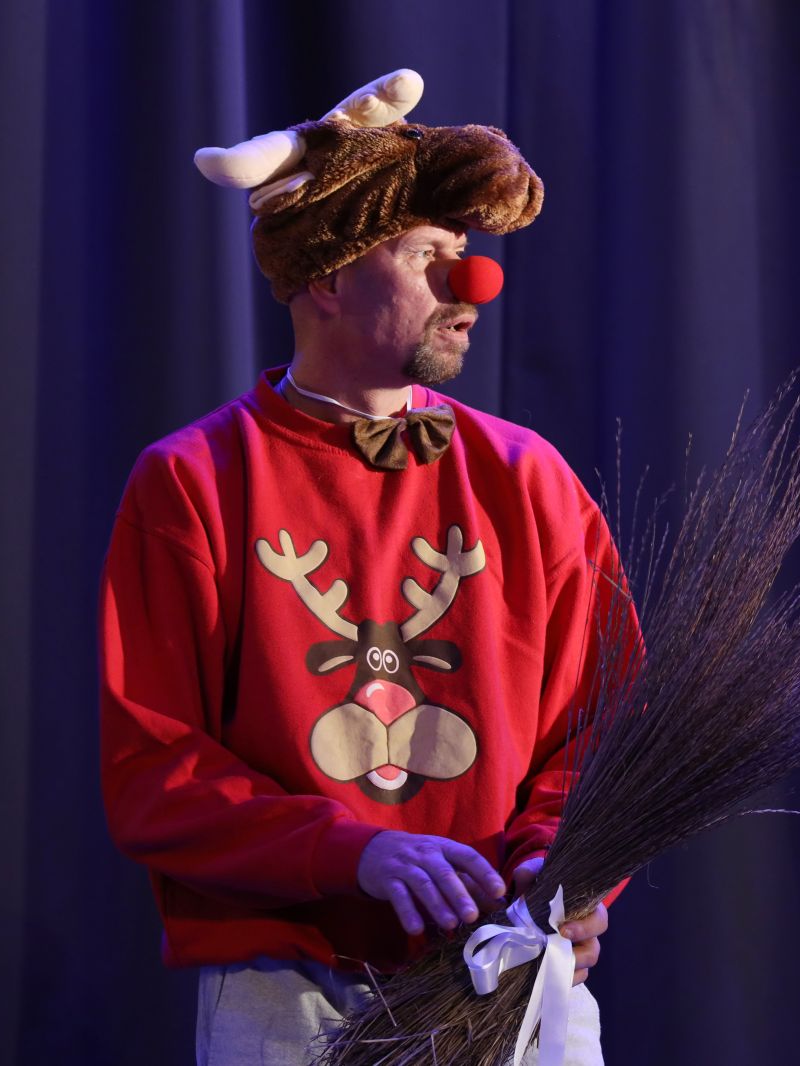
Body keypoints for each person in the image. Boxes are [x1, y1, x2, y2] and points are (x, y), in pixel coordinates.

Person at [98, 70, 618, 1065]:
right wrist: (354, 852)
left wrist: (564, 865)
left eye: (464, 254)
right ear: (330, 279)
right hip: (290, 993)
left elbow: (610, 721)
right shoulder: (193, 481)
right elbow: (155, 766)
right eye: (428, 256)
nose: (471, 286)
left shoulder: (529, 477)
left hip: (513, 968)